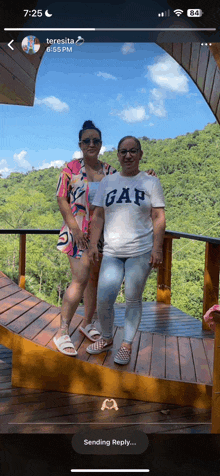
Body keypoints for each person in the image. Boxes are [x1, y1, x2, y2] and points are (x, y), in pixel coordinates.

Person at [86, 135, 166, 365]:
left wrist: (157, 249)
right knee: (104, 298)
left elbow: (158, 216)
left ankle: (126, 344)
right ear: (118, 155)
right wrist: (93, 245)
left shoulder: (151, 182)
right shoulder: (108, 182)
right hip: (111, 251)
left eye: (133, 151)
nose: (128, 155)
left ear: (140, 154)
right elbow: (99, 215)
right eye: (123, 151)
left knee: (132, 298)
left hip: (141, 250)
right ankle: (108, 337)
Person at [53, 120, 117, 355]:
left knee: (94, 280)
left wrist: (147, 175)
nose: (91, 144)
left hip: (101, 235)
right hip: (76, 233)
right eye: (87, 140)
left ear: (101, 144)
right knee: (80, 278)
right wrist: (75, 230)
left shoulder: (110, 171)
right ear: (80, 144)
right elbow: (62, 199)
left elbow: (127, 184)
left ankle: (87, 324)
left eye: (96, 140)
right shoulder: (70, 168)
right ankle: (62, 331)